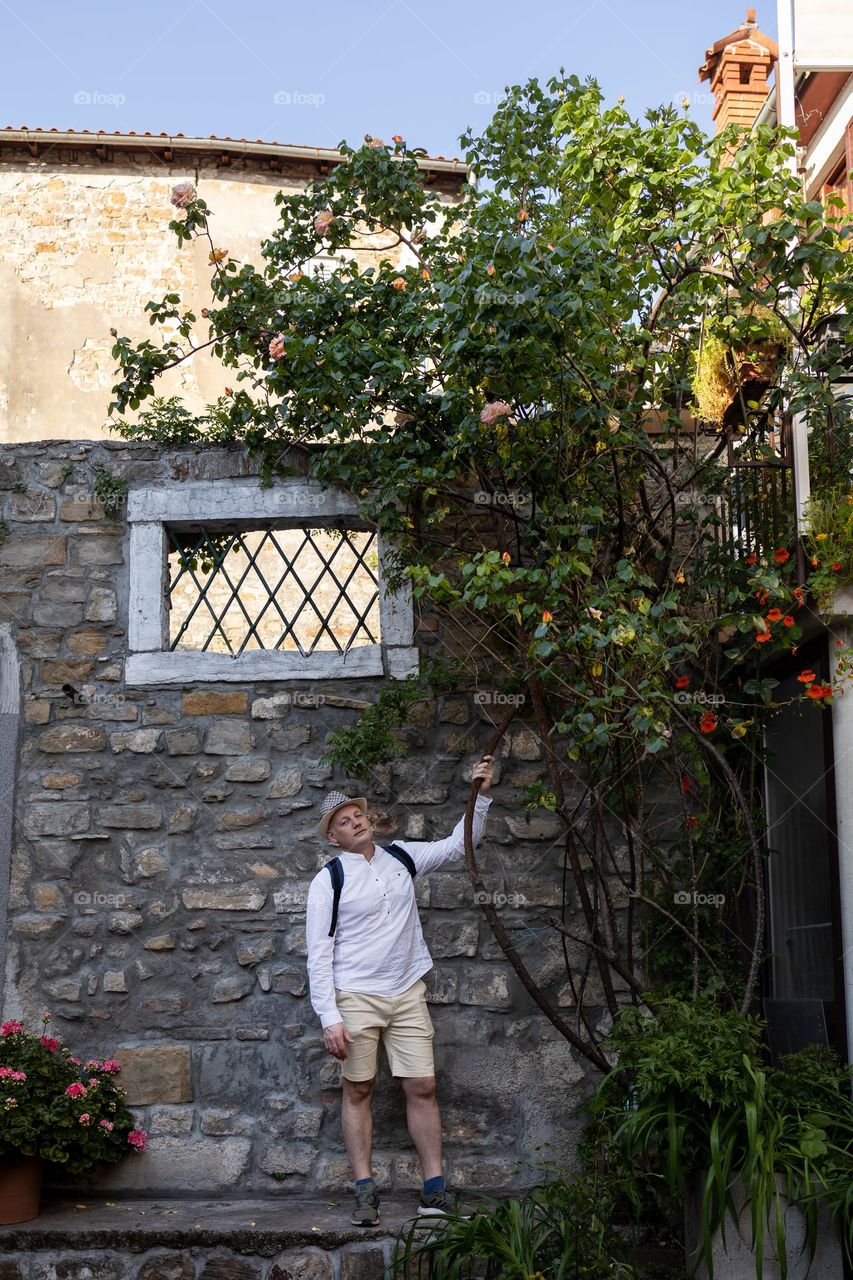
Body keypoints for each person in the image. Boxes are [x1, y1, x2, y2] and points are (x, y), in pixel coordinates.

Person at [305, 755, 496, 1226]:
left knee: (423, 1087)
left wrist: (480, 794)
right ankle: (364, 1191)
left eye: (359, 815)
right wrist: (330, 1017)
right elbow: (319, 952)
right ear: (333, 837)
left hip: (407, 991)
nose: (357, 822)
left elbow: (459, 844)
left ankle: (434, 1191)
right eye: (345, 821)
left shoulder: (403, 857)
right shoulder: (328, 880)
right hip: (356, 996)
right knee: (359, 1089)